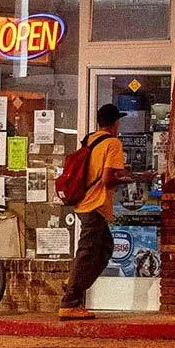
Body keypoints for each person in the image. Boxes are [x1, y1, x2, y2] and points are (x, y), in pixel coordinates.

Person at [59, 104, 129, 320]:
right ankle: (70, 302)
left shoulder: (89, 139)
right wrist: (127, 178)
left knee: (105, 249)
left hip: (85, 203)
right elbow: (107, 179)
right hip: (95, 205)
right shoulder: (113, 143)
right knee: (88, 251)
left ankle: (74, 283)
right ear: (115, 123)